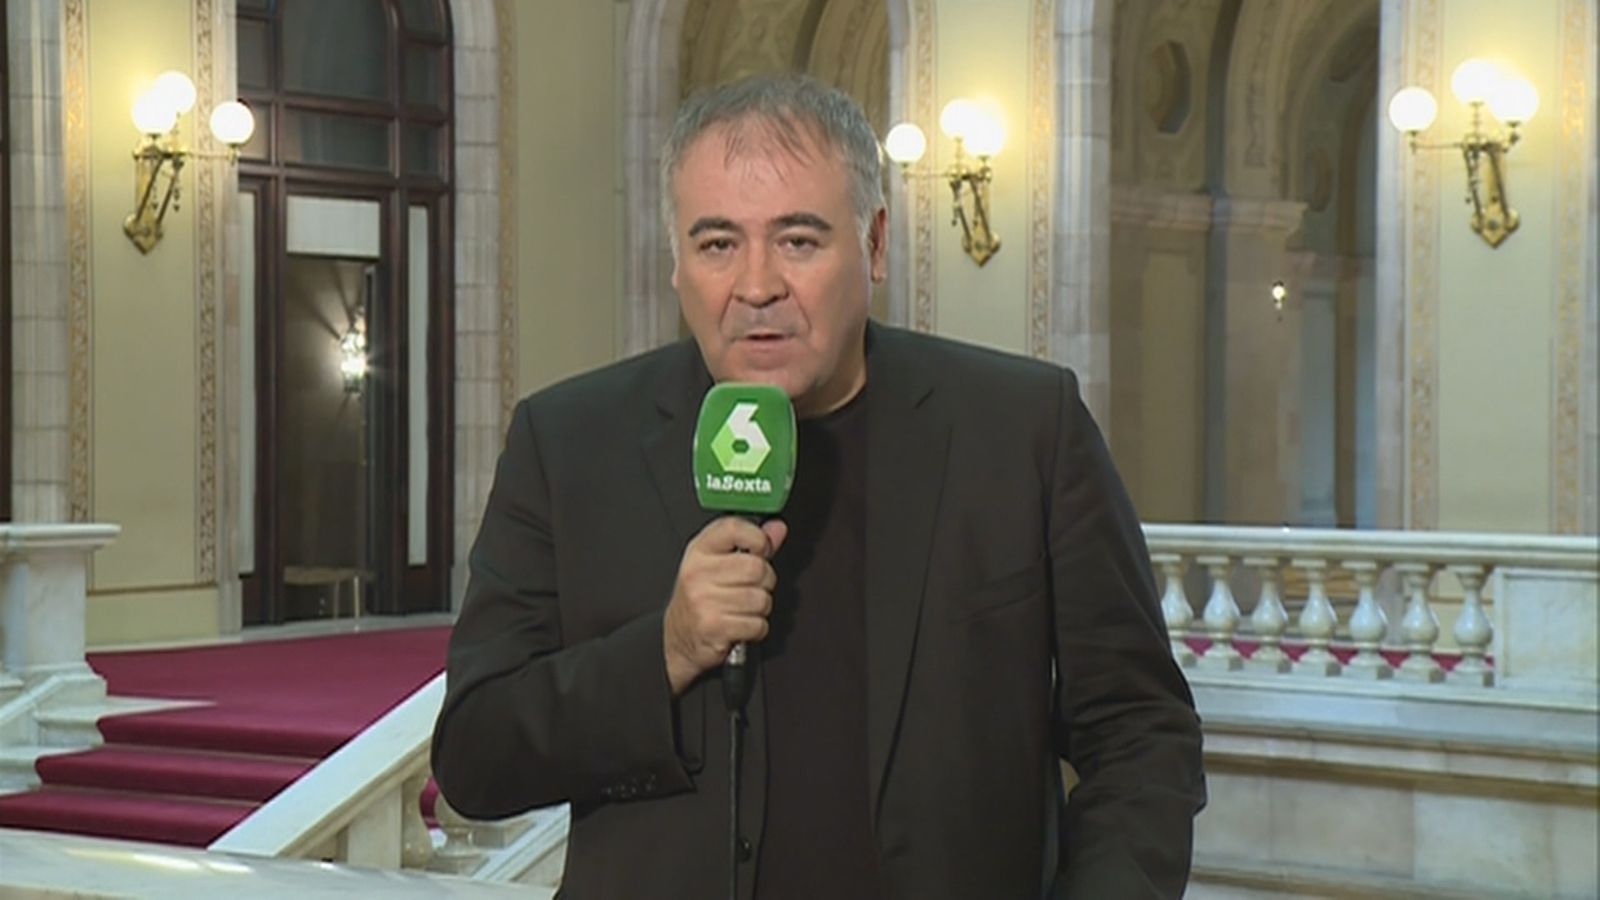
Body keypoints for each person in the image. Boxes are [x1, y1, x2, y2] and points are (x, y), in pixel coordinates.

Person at [431, 73, 1206, 899]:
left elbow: (1139, 732)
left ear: (873, 245)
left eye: (798, 240)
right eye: (717, 243)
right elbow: (476, 757)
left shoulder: (1022, 431)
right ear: (676, 260)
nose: (757, 285)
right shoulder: (570, 445)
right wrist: (665, 652)